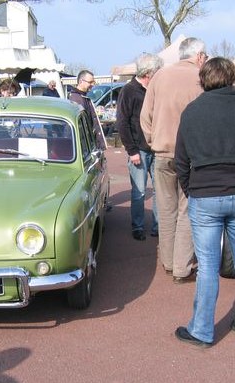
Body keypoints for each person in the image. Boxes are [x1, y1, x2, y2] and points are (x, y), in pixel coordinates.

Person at [174, 57, 235, 347]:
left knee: (207, 266)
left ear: (204, 78)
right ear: (232, 78)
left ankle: (202, 330)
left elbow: (181, 160)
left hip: (205, 195)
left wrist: (191, 189)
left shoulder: (193, 111)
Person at [140, 37, 207, 283]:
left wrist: (153, 140)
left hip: (162, 153)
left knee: (166, 210)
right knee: (187, 211)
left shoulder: (159, 76)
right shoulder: (202, 79)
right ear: (199, 56)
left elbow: (145, 115)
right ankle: (181, 267)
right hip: (191, 157)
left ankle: (168, 263)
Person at [117, 53, 163, 241]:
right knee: (139, 191)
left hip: (157, 147)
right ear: (148, 73)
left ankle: (159, 226)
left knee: (160, 191)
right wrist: (132, 151)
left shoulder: (156, 89)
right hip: (139, 150)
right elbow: (122, 122)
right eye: (156, 71)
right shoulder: (128, 91)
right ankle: (138, 226)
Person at [68, 70, 107, 150]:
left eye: (93, 82)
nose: (92, 85)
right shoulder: (76, 99)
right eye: (90, 82)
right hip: (84, 146)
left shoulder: (83, 97)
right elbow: (81, 125)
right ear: (81, 81)